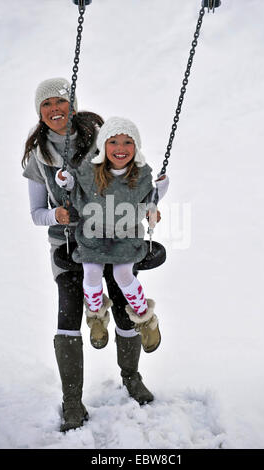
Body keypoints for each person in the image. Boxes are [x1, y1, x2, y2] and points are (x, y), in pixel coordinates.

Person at [21, 78, 165, 433]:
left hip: (115, 236)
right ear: (39, 112)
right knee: (68, 313)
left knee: (121, 300)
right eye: (46, 104)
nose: (55, 109)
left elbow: (130, 179)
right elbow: (37, 212)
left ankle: (131, 377)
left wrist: (152, 200)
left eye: (61, 101)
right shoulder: (38, 156)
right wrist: (57, 215)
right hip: (69, 245)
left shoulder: (100, 138)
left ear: (72, 104)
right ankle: (72, 400)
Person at [55, 116, 169, 357]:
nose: (120, 148)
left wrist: (159, 194)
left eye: (128, 142)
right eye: (113, 141)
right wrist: (65, 181)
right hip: (93, 234)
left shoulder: (141, 174)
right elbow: (75, 188)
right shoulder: (89, 171)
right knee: (92, 273)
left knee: (122, 274)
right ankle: (96, 316)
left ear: (136, 147)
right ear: (103, 145)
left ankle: (146, 319)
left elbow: (151, 198)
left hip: (126, 235)